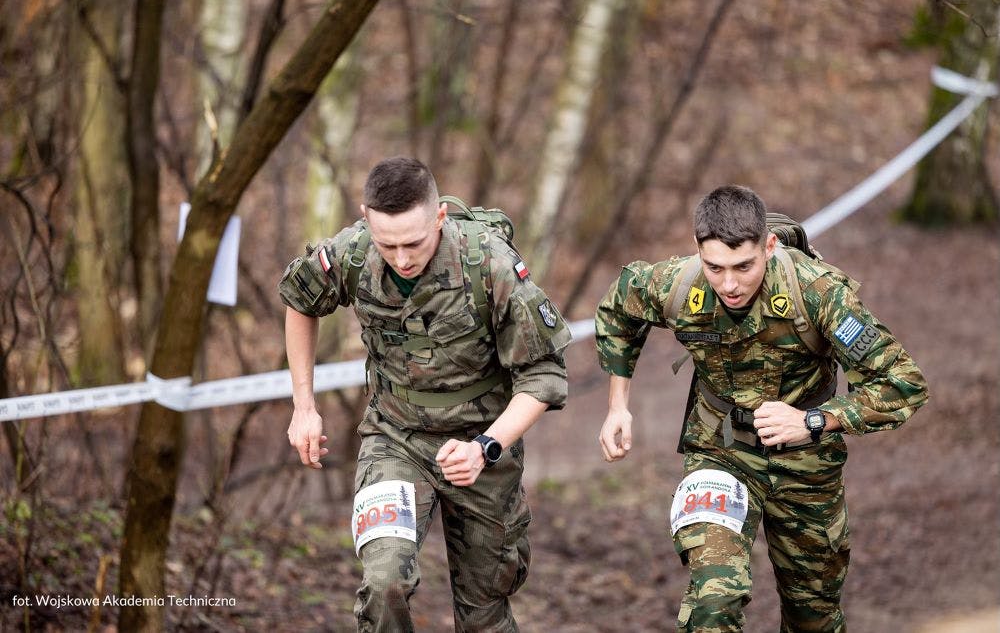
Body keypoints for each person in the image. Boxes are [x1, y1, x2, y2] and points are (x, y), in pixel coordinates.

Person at [594, 185, 928, 632]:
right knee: (714, 602)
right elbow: (619, 306)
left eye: (743, 267)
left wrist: (814, 421)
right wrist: (618, 405)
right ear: (697, 250)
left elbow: (903, 383)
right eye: (715, 267)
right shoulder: (679, 282)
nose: (729, 284)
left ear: (768, 246)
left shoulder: (817, 293)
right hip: (721, 451)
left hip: (807, 463)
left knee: (815, 618)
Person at [278, 156, 571, 632]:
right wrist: (304, 406)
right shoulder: (353, 252)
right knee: (383, 582)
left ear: (439, 217)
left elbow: (544, 374)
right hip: (396, 438)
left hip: (482, 443)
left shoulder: (489, 262)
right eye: (387, 243)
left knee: (485, 611)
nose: (402, 257)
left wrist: (486, 448)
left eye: (414, 241)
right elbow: (300, 299)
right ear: (366, 219)